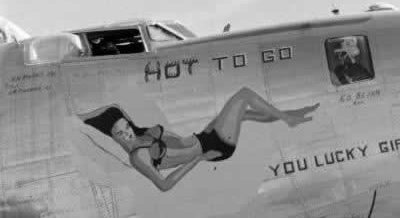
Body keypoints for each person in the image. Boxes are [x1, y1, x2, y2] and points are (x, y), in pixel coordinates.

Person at [80, 87, 319, 192]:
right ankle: (288, 118)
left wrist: (83, 118)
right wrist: (198, 159)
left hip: (204, 137)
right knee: (243, 96)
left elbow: (113, 107)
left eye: (126, 127)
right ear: (113, 137)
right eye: (120, 133)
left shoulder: (142, 134)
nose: (127, 133)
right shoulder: (138, 157)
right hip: (214, 146)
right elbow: (164, 185)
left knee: (243, 114)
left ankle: (290, 115)